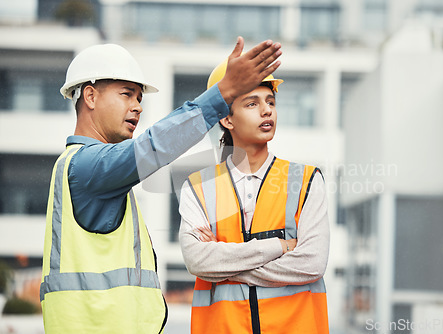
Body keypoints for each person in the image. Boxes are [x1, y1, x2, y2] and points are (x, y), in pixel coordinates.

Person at [39, 37, 282, 334]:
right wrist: (224, 93)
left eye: (140, 98)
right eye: (127, 94)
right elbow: (154, 147)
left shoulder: (85, 170)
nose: (137, 107)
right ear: (90, 96)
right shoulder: (87, 168)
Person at [179, 58, 330, 334]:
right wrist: (281, 247)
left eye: (270, 102)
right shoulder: (198, 187)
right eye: (252, 103)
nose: (266, 111)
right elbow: (198, 261)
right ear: (226, 118)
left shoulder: (306, 181)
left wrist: (223, 269)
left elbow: (312, 264)